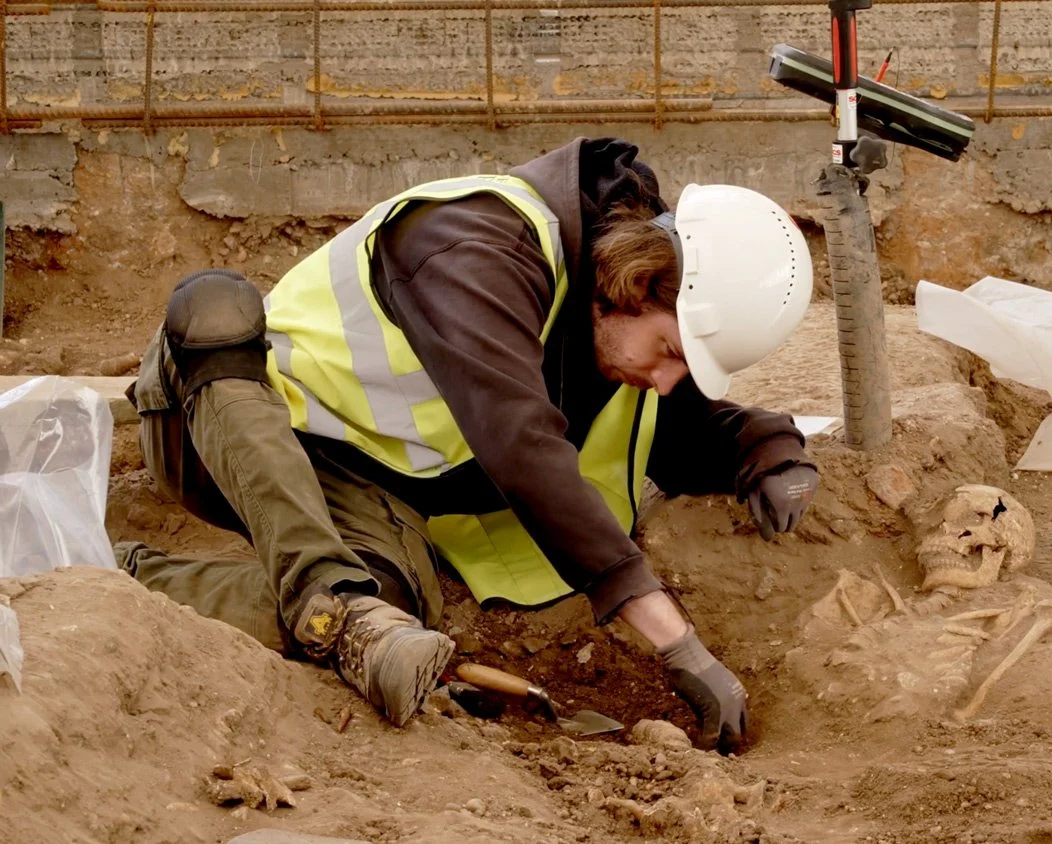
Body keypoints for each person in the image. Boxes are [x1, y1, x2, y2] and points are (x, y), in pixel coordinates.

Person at [114, 137, 820, 754]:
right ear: (634, 283)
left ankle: (116, 576)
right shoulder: (470, 246)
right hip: (218, 422)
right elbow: (517, 437)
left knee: (389, 600)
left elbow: (671, 424)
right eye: (670, 352)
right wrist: (673, 639)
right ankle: (327, 603)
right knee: (216, 307)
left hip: (346, 478)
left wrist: (764, 445)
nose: (666, 383)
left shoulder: (604, 318)